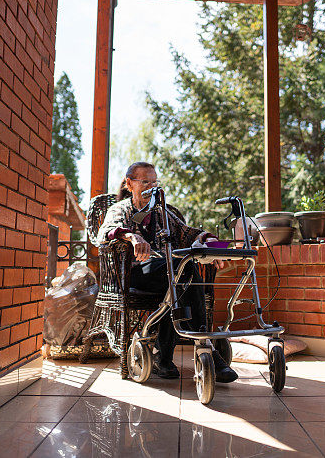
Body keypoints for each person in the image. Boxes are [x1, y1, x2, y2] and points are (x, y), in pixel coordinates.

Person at [97, 161, 238, 383]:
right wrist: (133, 237)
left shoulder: (161, 212)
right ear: (129, 183)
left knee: (179, 279)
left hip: (166, 273)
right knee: (180, 269)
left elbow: (187, 232)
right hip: (133, 274)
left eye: (154, 182)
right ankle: (206, 348)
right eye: (145, 182)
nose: (151, 186)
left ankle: (163, 360)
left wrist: (210, 240)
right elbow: (106, 232)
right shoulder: (121, 209)